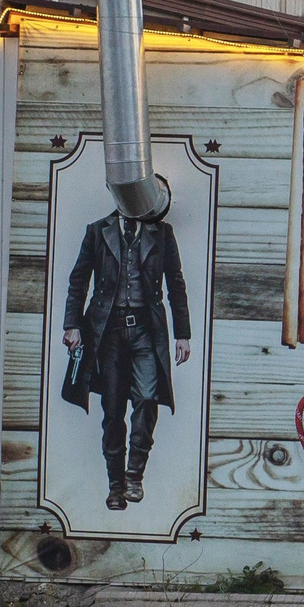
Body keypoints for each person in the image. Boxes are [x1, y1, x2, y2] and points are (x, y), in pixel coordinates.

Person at [61, 199, 193, 512]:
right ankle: (115, 487)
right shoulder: (97, 231)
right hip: (107, 334)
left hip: (147, 331)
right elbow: (78, 281)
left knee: (147, 399)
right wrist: (72, 326)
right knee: (113, 410)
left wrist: (182, 334)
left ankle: (135, 474)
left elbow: (176, 282)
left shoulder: (162, 233)